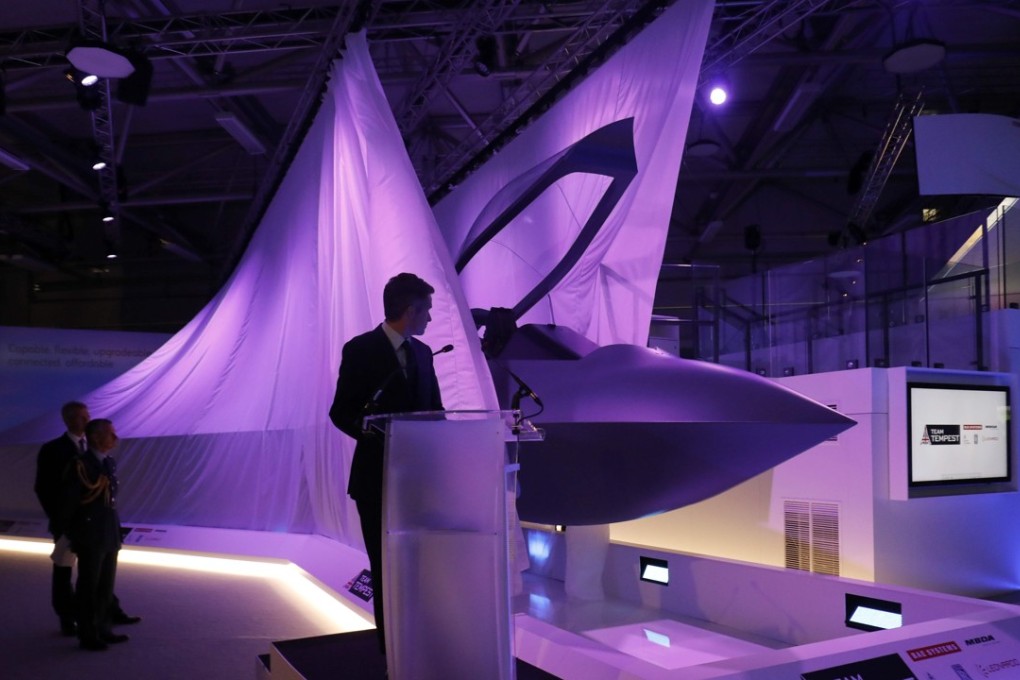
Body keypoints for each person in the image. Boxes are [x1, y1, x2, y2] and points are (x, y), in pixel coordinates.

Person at [329, 273, 444, 654]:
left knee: (419, 570)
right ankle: (392, 654)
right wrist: (377, 436)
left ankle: (420, 646)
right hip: (376, 480)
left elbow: (437, 413)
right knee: (386, 569)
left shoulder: (426, 354)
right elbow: (341, 412)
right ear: (410, 310)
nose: (429, 318)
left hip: (419, 484)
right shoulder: (360, 349)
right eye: (426, 309)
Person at [34, 402, 139, 637]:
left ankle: (107, 613)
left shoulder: (97, 453)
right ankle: (67, 617)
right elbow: (45, 489)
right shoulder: (54, 449)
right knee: (65, 571)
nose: (86, 420)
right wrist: (61, 523)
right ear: (69, 420)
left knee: (98, 573)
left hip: (97, 525)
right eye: (82, 417)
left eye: (87, 416)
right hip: (70, 522)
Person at [62, 418, 131, 651]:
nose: (115, 438)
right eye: (111, 434)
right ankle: (87, 633)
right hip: (90, 533)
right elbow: (71, 503)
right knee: (88, 587)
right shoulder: (80, 465)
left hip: (108, 531)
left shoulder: (108, 462)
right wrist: (74, 532)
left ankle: (103, 628)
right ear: (95, 437)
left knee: (105, 586)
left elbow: (109, 500)